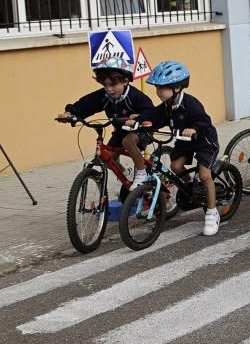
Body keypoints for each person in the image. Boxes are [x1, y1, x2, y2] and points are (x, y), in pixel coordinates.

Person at [134, 61, 221, 236]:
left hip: (204, 140)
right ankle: (190, 188)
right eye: (157, 88)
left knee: (205, 175)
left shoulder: (190, 103)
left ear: (177, 88)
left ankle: (212, 213)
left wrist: (194, 129)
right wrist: (138, 120)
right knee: (175, 167)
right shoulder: (167, 105)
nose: (158, 92)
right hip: (185, 141)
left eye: (162, 88)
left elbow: (204, 121)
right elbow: (154, 115)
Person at [57, 56, 155, 188]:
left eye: (113, 84)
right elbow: (87, 103)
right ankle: (127, 173)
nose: (109, 89)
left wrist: (138, 118)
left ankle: (142, 173)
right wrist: (71, 113)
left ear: (125, 81)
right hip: (121, 131)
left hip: (142, 130)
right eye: (105, 85)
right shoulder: (105, 96)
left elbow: (151, 112)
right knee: (106, 159)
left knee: (128, 141)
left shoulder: (135, 96)